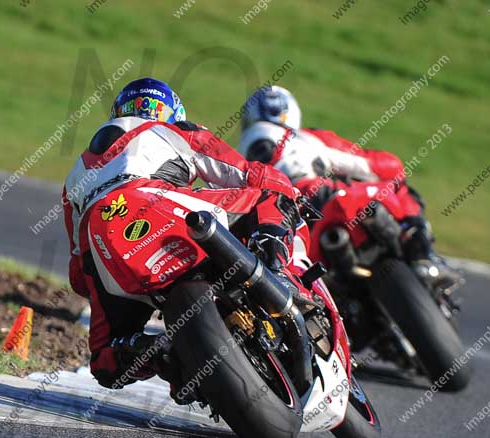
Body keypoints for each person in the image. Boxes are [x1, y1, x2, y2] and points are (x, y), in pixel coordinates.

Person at [62, 78, 307, 399]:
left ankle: (158, 353)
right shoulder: (174, 131)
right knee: (267, 197)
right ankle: (278, 274)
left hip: (102, 239)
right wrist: (292, 191)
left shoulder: (73, 176)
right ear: (172, 112)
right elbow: (247, 173)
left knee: (107, 363)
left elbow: (79, 274)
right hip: (157, 201)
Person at [237, 85, 457, 287]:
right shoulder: (309, 139)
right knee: (401, 187)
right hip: (323, 201)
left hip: (287, 231)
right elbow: (385, 167)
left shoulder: (240, 161)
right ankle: (422, 255)